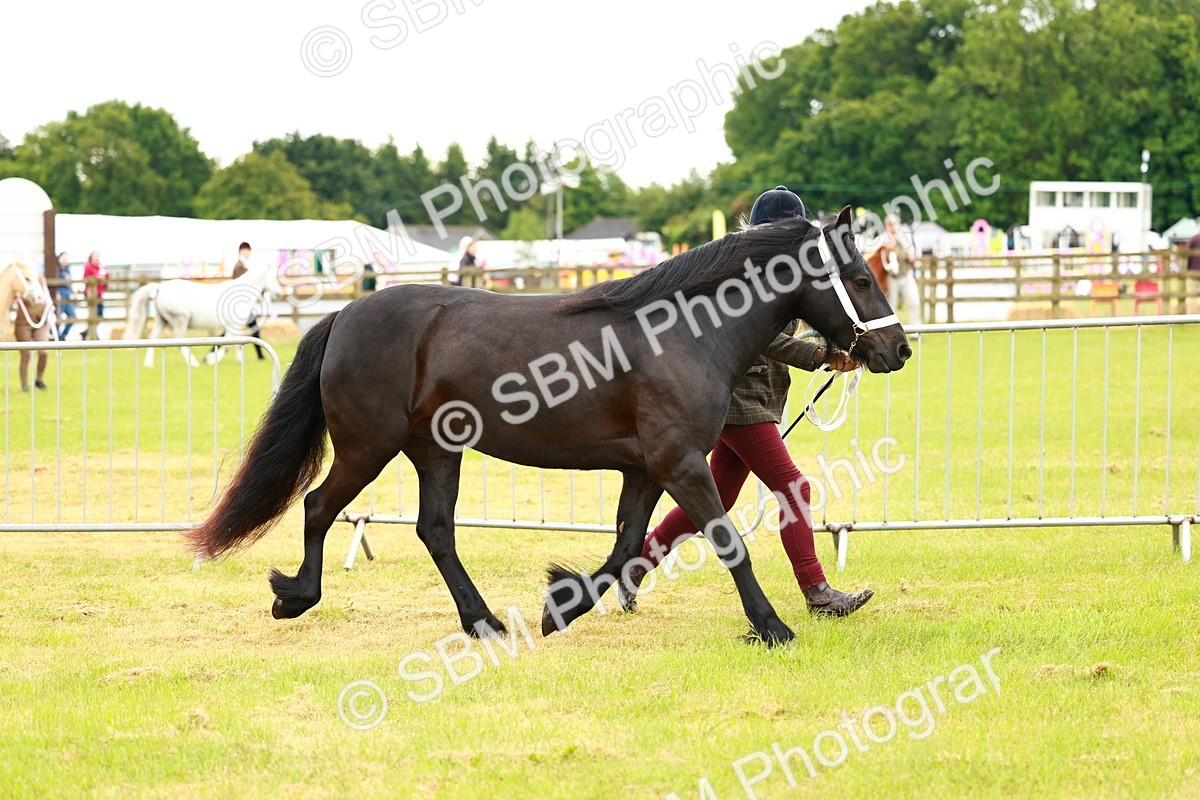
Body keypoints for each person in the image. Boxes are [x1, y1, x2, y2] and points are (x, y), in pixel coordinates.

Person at [619, 186, 874, 618]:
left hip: (749, 398)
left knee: (716, 496)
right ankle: (817, 592)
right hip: (738, 401)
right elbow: (769, 339)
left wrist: (838, 347)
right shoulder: (746, 274)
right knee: (795, 489)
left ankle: (634, 567)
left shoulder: (778, 273)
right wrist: (818, 356)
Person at [13, 263, 54, 391]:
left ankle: (39, 379)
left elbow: (47, 298)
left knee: (44, 352)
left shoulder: (41, 282)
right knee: (26, 354)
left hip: (39, 322)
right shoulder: (21, 283)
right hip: (23, 323)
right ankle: (24, 385)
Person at [882, 215, 922, 327]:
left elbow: (913, 256)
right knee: (890, 307)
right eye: (891, 225)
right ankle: (890, 333)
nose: (893, 228)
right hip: (890, 278)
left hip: (906, 274)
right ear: (886, 225)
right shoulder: (883, 239)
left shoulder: (904, 238)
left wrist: (911, 257)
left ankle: (915, 331)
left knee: (914, 302)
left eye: (895, 225)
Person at [81, 251, 108, 340]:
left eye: (98, 256)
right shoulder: (88, 266)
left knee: (99, 314)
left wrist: (105, 276)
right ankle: (93, 335)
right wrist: (97, 277)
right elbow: (85, 279)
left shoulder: (101, 266)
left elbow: (107, 277)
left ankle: (87, 332)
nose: (97, 258)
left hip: (99, 293)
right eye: (95, 256)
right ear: (91, 257)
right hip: (90, 294)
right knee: (93, 314)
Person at [54, 252, 77, 340]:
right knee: (58, 317)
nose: (65, 260)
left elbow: (69, 282)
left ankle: (62, 335)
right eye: (64, 258)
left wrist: (73, 291)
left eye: (66, 258)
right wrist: (56, 292)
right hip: (60, 293)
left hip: (67, 295)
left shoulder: (67, 269)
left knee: (72, 316)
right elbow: (54, 282)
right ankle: (56, 336)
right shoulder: (56, 269)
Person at [1187, 224, 1200, 315]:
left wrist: (1188, 268)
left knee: (1192, 293)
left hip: (1194, 269)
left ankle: (1191, 313)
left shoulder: (1194, 238)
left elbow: (1188, 255)